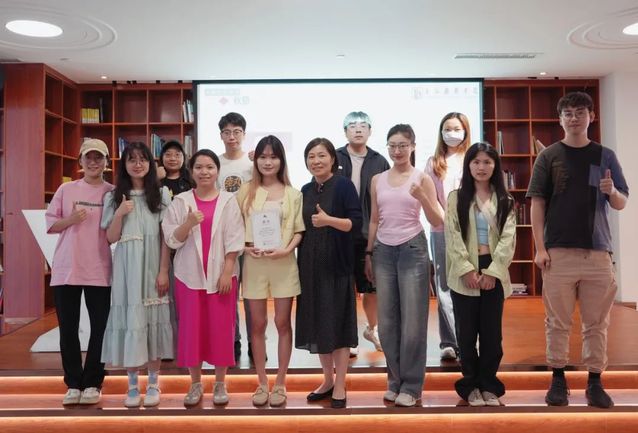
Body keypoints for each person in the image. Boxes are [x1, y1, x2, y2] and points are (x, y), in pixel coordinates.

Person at [527, 91, 628, 409]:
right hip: (558, 253)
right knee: (557, 322)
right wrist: (540, 248)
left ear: (591, 117)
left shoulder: (605, 155)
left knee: (597, 323)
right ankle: (558, 379)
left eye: (580, 112)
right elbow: (537, 203)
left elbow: (621, 202)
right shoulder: (548, 157)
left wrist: (612, 192)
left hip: (598, 253)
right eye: (568, 113)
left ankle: (595, 382)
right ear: (560, 119)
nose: (574, 118)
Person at [364, 124, 443, 407]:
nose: (397, 151)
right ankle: (394, 381)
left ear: (412, 146)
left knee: (413, 322)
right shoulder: (377, 179)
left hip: (412, 249)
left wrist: (422, 196)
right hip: (383, 251)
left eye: (403, 145)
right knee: (387, 323)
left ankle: (412, 385)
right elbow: (375, 219)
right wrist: (369, 252)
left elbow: (437, 220)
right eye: (392, 146)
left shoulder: (422, 178)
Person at [162, 149, 244, 406]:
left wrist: (227, 271)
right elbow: (171, 239)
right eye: (199, 167)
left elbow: (235, 238)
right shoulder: (181, 201)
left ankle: (220, 383)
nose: (204, 172)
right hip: (189, 276)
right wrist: (188, 223)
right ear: (191, 171)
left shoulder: (228, 201)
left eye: (210, 167)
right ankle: (195, 383)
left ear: (217, 171)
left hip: (222, 276)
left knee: (222, 328)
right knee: (191, 330)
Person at [100, 141, 173, 408]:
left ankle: (153, 383)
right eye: (132, 159)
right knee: (131, 321)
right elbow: (110, 237)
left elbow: (166, 238)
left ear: (150, 164)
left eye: (143, 159)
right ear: (124, 164)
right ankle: (132, 386)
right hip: (127, 270)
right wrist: (119, 213)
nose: (138, 164)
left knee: (153, 323)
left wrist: (163, 271)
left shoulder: (161, 195)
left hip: (154, 266)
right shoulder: (113, 197)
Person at [445, 142, 516, 407]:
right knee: (466, 335)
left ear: (495, 166)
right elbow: (452, 235)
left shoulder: (506, 200)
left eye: (487, 162)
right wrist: (465, 269)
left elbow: (508, 239)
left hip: (493, 269)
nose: (481, 167)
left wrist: (493, 272)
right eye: (476, 162)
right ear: (469, 165)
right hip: (464, 269)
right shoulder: (456, 198)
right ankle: (470, 386)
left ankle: (488, 385)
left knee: (491, 335)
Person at [237, 135, 304, 407]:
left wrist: (286, 250)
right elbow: (235, 227)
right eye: (263, 157)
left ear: (281, 160)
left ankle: (281, 382)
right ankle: (262, 382)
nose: (268, 162)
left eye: (273, 157)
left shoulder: (293, 193)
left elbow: (299, 230)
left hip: (284, 264)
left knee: (282, 323)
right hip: (254, 264)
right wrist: (245, 247)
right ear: (256, 160)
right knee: (257, 324)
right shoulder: (245, 191)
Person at [46, 139, 114, 406]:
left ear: (107, 162)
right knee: (68, 329)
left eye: (99, 158)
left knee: (100, 329)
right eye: (89, 157)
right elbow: (51, 225)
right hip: (67, 269)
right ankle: (73, 383)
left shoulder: (112, 192)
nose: (94, 162)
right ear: (81, 161)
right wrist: (71, 220)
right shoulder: (66, 189)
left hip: (99, 268)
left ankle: (93, 382)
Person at [296, 138, 362, 409]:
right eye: (311, 156)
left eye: (321, 155)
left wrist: (328, 221)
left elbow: (355, 224)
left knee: (339, 325)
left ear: (333, 159)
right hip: (309, 267)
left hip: (337, 266)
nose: (316, 161)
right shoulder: (305, 189)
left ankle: (341, 383)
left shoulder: (344, 186)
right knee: (318, 324)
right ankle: (327, 380)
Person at [336, 111, 389, 357]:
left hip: (369, 232)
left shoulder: (379, 161)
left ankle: (372, 328)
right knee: (345, 287)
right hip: (340, 232)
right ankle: (349, 336)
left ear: (370, 131)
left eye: (363, 126)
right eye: (352, 126)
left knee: (371, 285)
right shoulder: (335, 157)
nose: (358, 130)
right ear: (345, 131)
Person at [426, 112, 472, 361]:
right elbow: (430, 197)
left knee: (467, 285)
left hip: (470, 231)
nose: (451, 133)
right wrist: (447, 222)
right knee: (443, 286)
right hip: (441, 230)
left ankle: (467, 341)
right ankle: (450, 342)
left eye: (456, 128)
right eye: (447, 129)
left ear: (465, 131)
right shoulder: (434, 162)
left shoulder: (473, 158)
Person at [217, 112, 253, 362]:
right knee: (227, 292)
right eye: (227, 132)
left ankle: (255, 341)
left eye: (237, 132)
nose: (232, 137)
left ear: (244, 134)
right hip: (223, 237)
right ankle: (233, 339)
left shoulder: (252, 164)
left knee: (251, 294)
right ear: (221, 135)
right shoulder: (215, 163)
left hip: (250, 236)